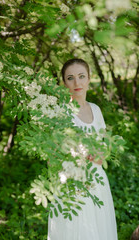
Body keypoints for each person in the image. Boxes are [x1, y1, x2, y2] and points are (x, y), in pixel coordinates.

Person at [48, 58, 118, 240]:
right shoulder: (60, 113)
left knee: (99, 231)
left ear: (89, 78)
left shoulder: (96, 110)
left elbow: (104, 146)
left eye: (81, 76)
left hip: (97, 181)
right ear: (64, 83)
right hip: (72, 185)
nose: (77, 83)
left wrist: (102, 154)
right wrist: (77, 154)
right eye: (70, 78)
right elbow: (52, 156)